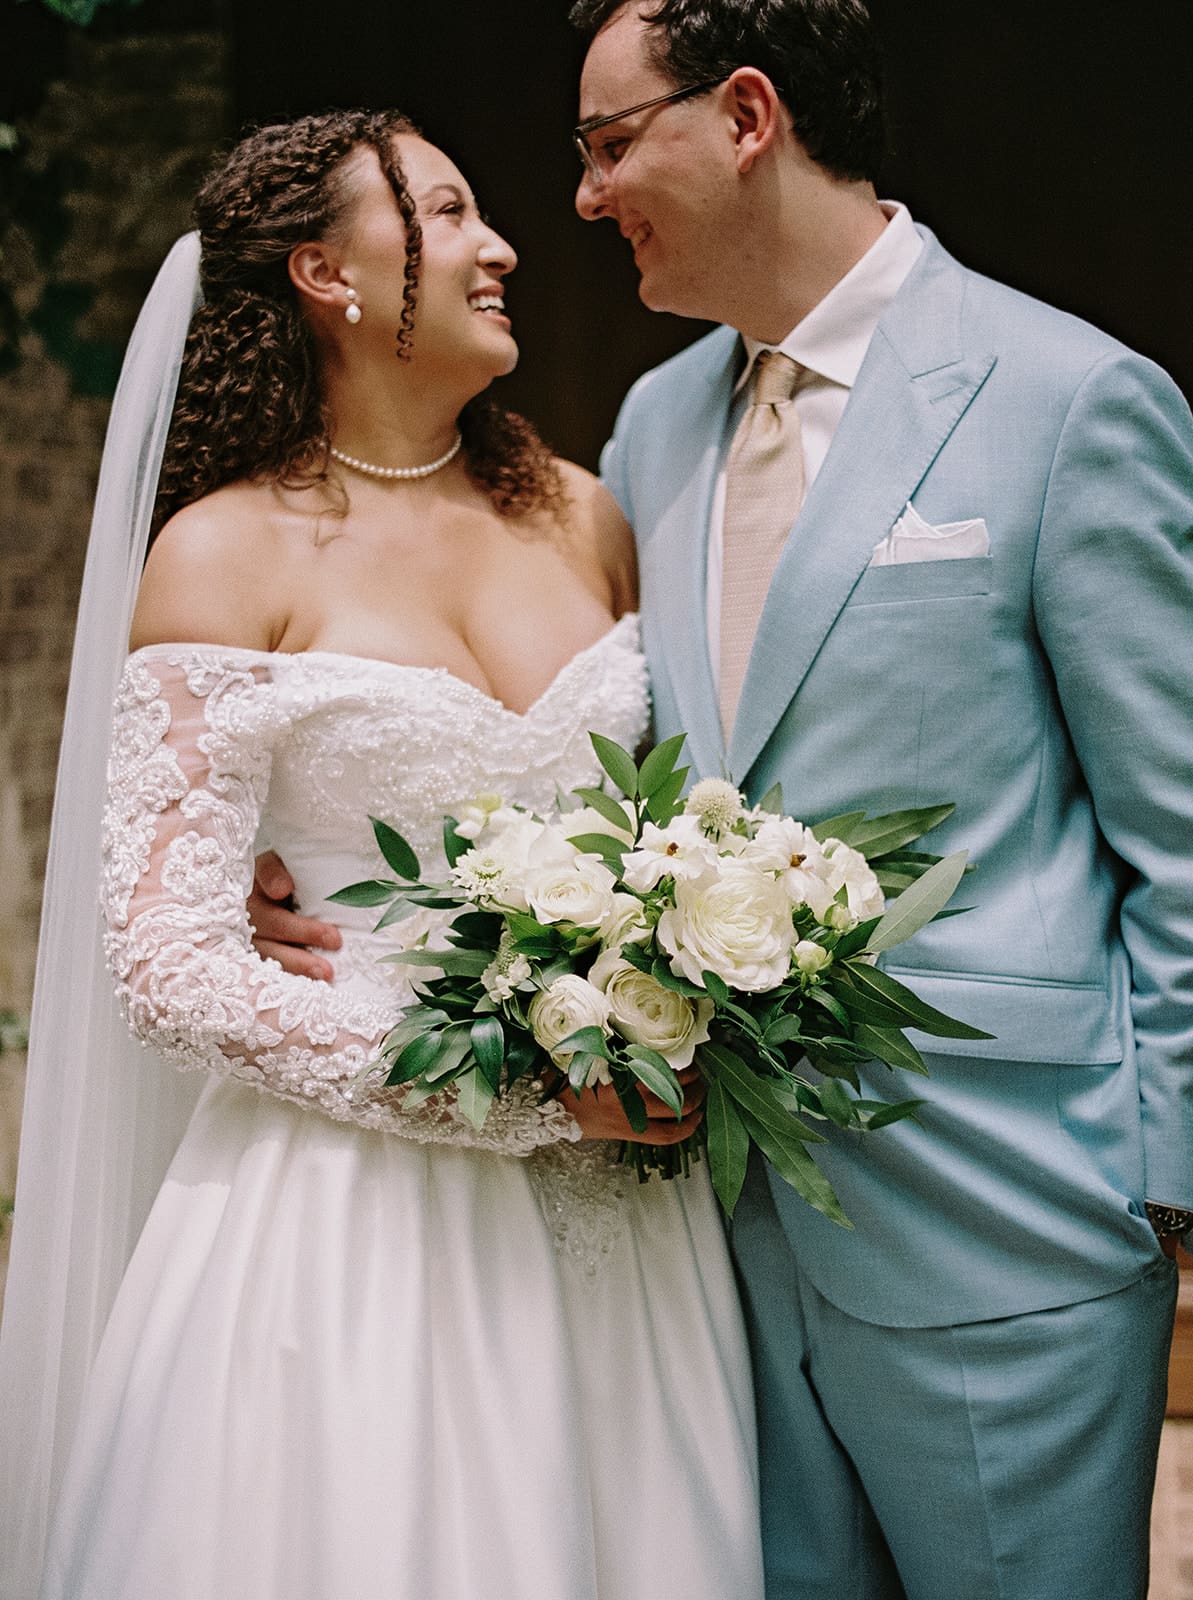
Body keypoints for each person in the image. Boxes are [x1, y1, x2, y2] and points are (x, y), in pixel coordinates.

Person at [0, 110, 765, 1600]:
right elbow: (166, 962)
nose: (503, 246)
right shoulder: (224, 554)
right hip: (350, 1233)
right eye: (449, 211)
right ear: (325, 275)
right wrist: (534, 1096)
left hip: (623, 1232)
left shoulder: (587, 520)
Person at [563, 2, 1192, 1596]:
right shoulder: (650, 427)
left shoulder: (1068, 397)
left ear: (748, 114)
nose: (583, 192)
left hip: (1010, 1213)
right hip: (714, 1237)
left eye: (610, 141)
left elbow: (1176, 831)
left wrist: (1163, 1180)